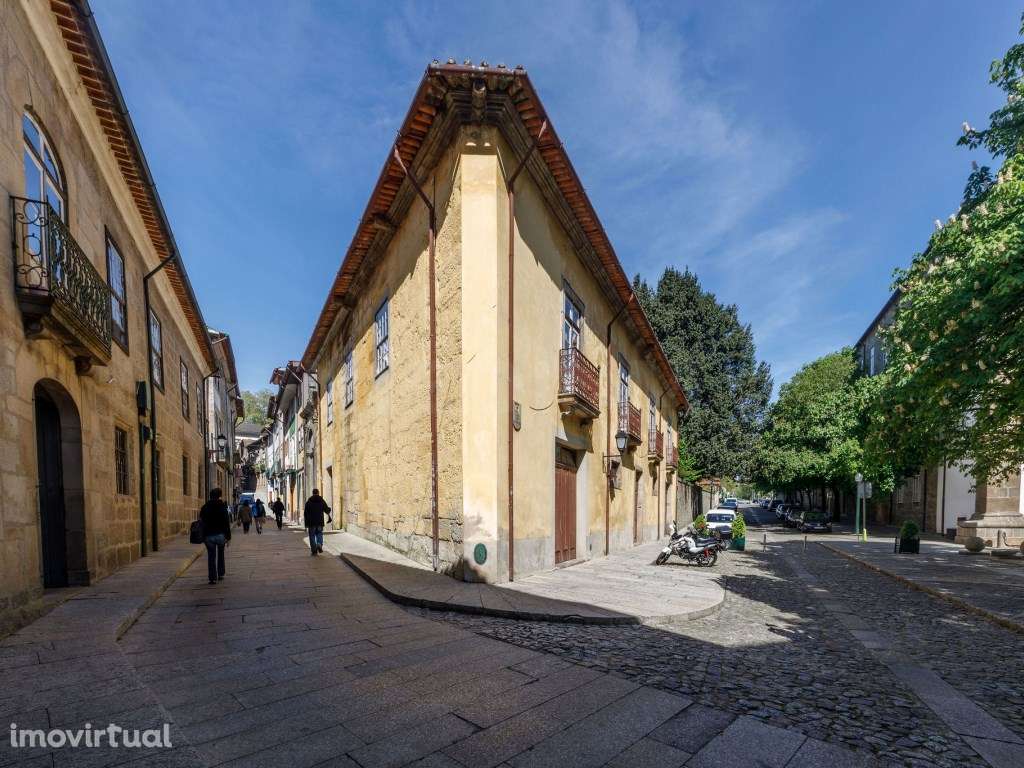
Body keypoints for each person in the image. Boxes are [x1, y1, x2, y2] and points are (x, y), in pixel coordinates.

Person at [199, 488, 231, 584]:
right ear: (219, 496)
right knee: (221, 554)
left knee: (211, 556)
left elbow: (201, 521)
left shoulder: (205, 507)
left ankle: (212, 578)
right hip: (220, 535)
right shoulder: (222, 507)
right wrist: (228, 537)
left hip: (209, 536)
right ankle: (220, 573)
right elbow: (226, 523)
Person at [303, 488, 331, 556]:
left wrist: (306, 524)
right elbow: (326, 509)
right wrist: (329, 509)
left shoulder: (309, 502)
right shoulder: (321, 501)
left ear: (312, 493)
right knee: (319, 533)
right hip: (319, 522)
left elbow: (305, 513)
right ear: (318, 493)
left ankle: (314, 550)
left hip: (311, 522)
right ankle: (319, 544)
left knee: (312, 536)